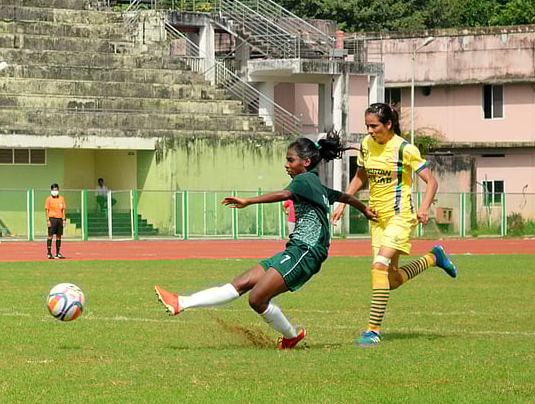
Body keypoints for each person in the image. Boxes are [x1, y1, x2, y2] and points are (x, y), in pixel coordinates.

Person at [154, 132, 377, 349]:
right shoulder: (315, 184)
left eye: (291, 160)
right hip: (295, 250)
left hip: (306, 253)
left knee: (257, 299)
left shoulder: (304, 180)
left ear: (306, 162)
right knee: (241, 283)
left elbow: (283, 195)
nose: (286, 165)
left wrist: (248, 201)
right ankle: (181, 302)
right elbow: (344, 196)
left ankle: (292, 335)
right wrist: (365, 210)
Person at [330, 102, 458, 346]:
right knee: (391, 280)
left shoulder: (404, 149)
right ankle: (433, 259)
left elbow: (431, 182)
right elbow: (360, 177)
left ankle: (372, 331)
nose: (369, 131)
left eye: (374, 126)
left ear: (388, 124)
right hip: (376, 219)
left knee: (378, 266)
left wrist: (423, 208)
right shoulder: (366, 146)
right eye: (366, 126)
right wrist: (342, 203)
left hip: (400, 217)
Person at [44, 183, 66, 259]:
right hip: (52, 219)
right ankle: (49, 253)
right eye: (53, 190)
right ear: (51, 190)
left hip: (59, 219)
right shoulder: (48, 199)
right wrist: (48, 220)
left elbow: (63, 210)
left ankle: (58, 253)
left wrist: (64, 219)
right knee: (50, 236)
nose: (55, 191)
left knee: (59, 236)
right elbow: (47, 210)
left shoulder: (61, 199)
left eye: (56, 190)